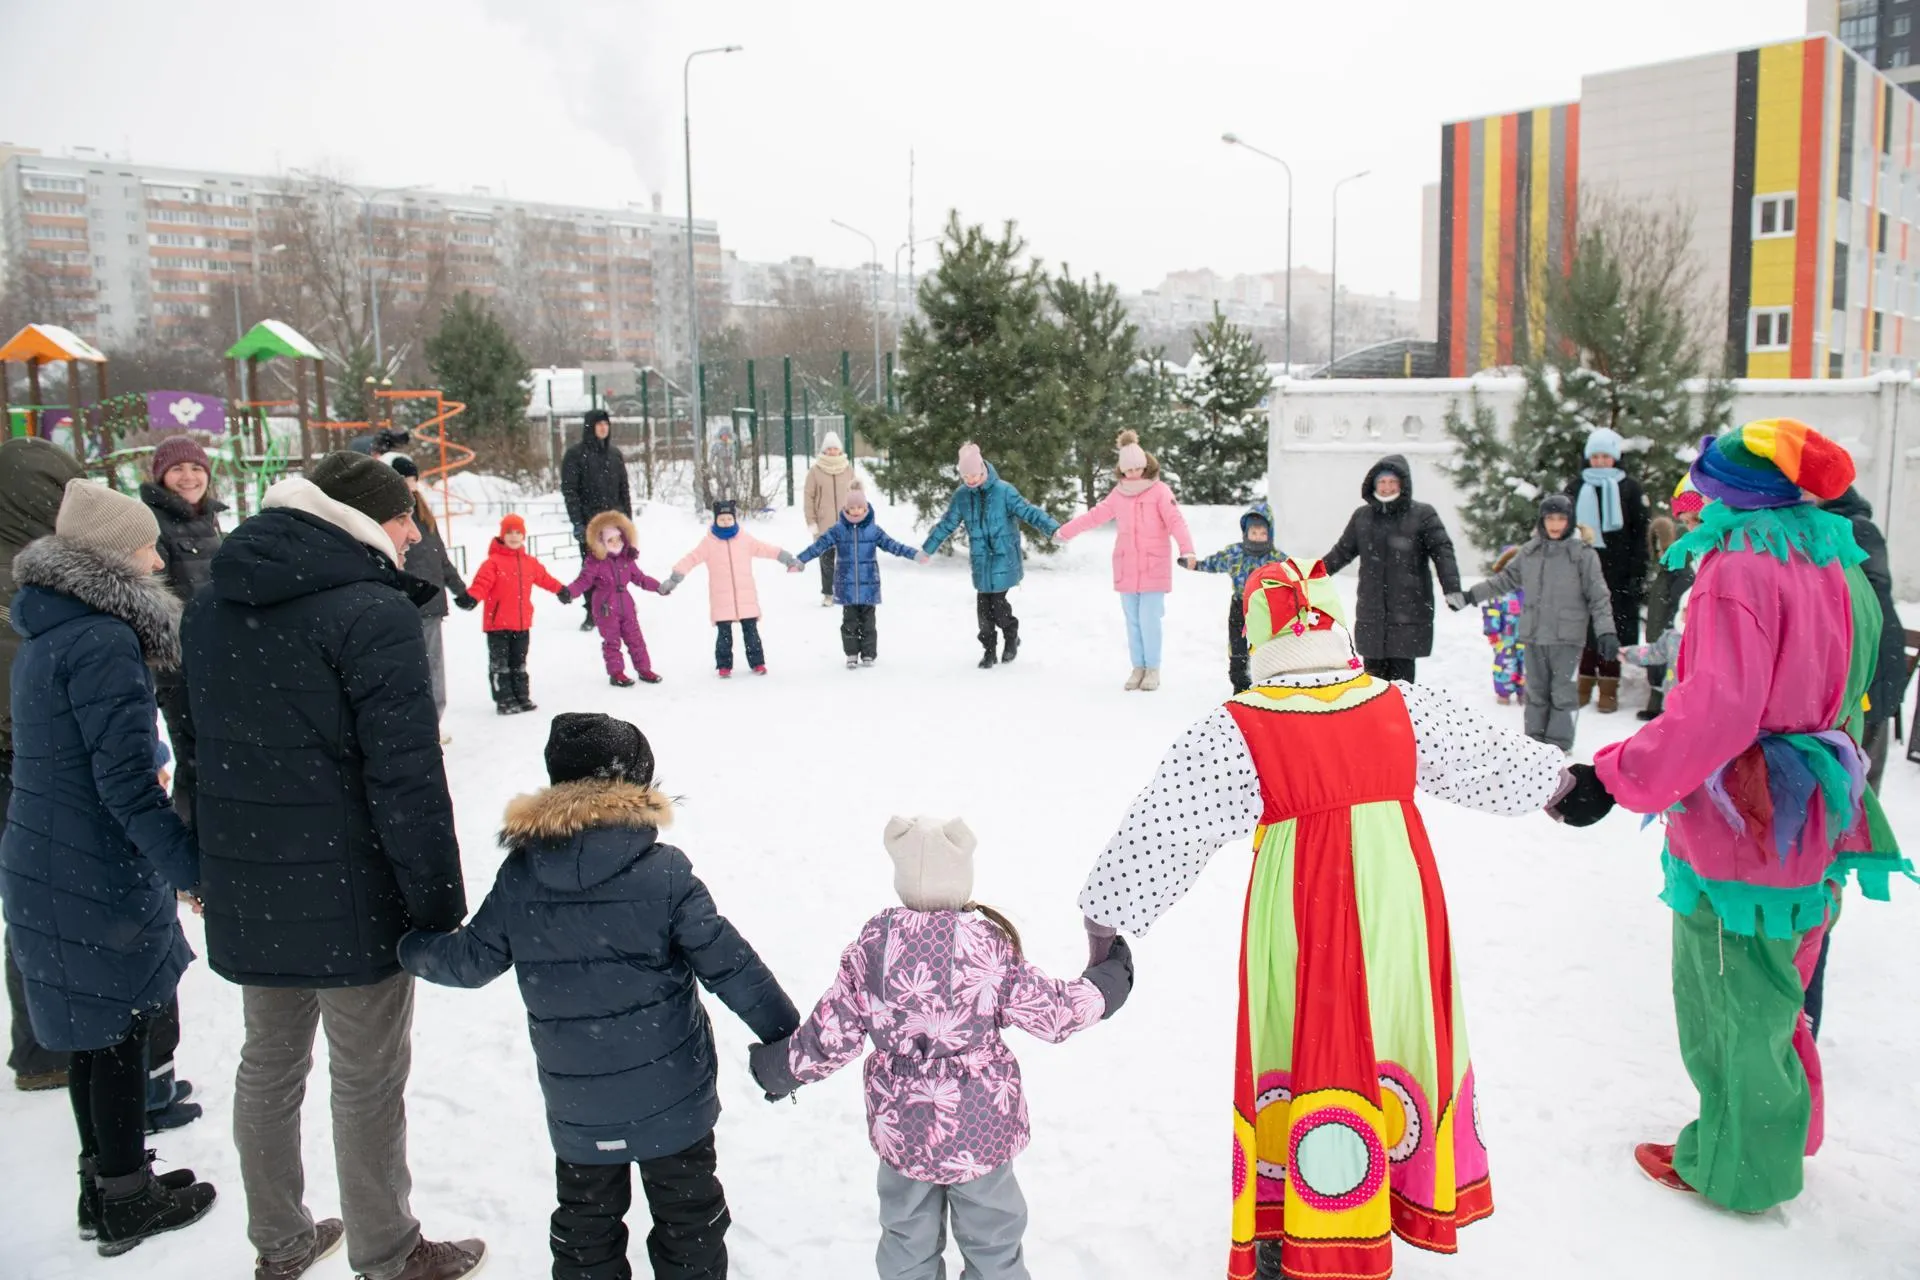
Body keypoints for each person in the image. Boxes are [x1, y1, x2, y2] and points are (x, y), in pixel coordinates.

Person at [1078, 557, 1580, 1279]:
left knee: (1308, 1040)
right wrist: (1556, 784)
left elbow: (1166, 828)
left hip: (1301, 918)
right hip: (1398, 913)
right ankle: (1384, 1192)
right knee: (1389, 1031)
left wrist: (1107, 918)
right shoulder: (1397, 703)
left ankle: (1308, 1216)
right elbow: (1484, 759)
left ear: (1259, 643)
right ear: (1334, 629)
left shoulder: (1240, 726)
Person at [1579, 419, 1905, 1214]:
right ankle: (1780, 1132)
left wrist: (1615, 776)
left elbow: (1715, 714)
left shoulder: (1737, 570)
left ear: (1733, 492)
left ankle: (1737, 1167)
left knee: (1728, 993)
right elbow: (1864, 674)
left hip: (1746, 816)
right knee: (1779, 986)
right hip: (1820, 805)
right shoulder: (1838, 562)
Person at [174, 451, 483, 1280]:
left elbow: (197, 755)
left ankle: (279, 1242)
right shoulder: (369, 613)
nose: (414, 531)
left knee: (268, 1067)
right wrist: (436, 903)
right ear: (355, 520)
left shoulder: (208, 609)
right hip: (351, 891)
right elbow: (406, 775)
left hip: (251, 884)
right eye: (401, 516)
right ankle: (387, 1251)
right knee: (367, 1078)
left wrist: (202, 864)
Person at [402, 714, 798, 1280]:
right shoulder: (663, 875)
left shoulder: (522, 876)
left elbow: (468, 962)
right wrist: (787, 1036)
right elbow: (731, 965)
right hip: (674, 1101)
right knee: (691, 1220)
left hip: (580, 1108)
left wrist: (407, 947)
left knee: (586, 1224)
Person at [750, 815, 1135, 1280]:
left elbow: (832, 1034)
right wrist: (1106, 984)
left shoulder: (875, 946)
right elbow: (1052, 1012)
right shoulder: (987, 946)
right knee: (993, 1240)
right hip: (980, 1130)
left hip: (904, 1129)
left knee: (905, 1239)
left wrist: (780, 1069)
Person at [0, 479, 216, 1256]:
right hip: (88, 864)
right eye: (147, 545)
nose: (160, 557)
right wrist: (190, 867)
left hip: (48, 852)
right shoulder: (102, 640)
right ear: (114, 559)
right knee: (119, 1030)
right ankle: (127, 1198)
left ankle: (107, 1186)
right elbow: (124, 783)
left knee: (93, 1037)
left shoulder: (49, 630)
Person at [0, 436, 83, 1094]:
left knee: (29, 903)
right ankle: (55, 1044)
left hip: (23, 751)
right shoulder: (45, 572)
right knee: (51, 902)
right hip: (35, 755)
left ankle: (43, 1042)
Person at [1461, 494, 1617, 752]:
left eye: (1561, 519)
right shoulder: (1530, 552)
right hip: (1533, 634)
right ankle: (1533, 744)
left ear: (1570, 522)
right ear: (1542, 521)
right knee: (1535, 692)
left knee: (1562, 693)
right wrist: (1470, 596)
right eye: (1550, 519)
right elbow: (1504, 580)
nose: (1555, 525)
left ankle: (1558, 746)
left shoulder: (1582, 555)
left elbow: (1599, 596)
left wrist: (1606, 631)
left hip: (1566, 636)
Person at [1056, 430, 1195, 691]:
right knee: (1132, 621)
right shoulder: (1118, 494)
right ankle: (1138, 667)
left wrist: (1187, 550)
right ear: (1121, 470)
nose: (1133, 474)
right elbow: (1095, 516)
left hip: (1154, 567)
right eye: (1128, 470)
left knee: (1149, 620)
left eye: (1137, 469)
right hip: (1126, 567)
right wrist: (1066, 531)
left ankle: (1152, 668)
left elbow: (1176, 521)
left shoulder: (1160, 492)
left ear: (1145, 466)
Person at [1319, 453, 1461, 684]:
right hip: (1371, 613)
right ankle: (1375, 721)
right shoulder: (1362, 517)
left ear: (1402, 484)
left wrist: (1452, 588)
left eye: (1392, 482)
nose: (1386, 487)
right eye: (1382, 482)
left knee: (1402, 686)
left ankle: (1402, 719)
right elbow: (1341, 552)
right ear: (1374, 483)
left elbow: (1442, 551)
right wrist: (1311, 575)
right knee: (1372, 685)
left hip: (1409, 613)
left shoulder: (1422, 514)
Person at [921, 442, 1061, 669]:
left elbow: (1028, 511)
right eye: (966, 476)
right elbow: (947, 524)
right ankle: (988, 651)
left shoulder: (1004, 491)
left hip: (1004, 558)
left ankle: (1011, 637)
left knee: (998, 606)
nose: (971, 480)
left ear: (983, 470)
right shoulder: (962, 496)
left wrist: (1053, 528)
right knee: (983, 612)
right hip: (980, 561)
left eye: (974, 475)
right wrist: (928, 549)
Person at [1819, 485, 1906, 790]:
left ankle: (1856, 833)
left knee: (1858, 778)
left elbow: (1861, 600)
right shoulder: (1844, 525)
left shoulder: (1852, 529)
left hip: (1871, 663)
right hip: (1866, 662)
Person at [388, 456, 477, 733]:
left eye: (412, 479)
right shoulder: (389, 516)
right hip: (404, 602)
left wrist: (459, 589)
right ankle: (414, 726)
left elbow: (439, 555)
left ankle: (430, 725)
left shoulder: (423, 514)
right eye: (403, 479)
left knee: (433, 669)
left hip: (431, 603)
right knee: (407, 669)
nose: (409, 484)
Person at [794, 484, 927, 670]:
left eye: (859, 508)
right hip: (846, 586)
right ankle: (851, 653)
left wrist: (914, 554)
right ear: (846, 509)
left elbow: (893, 545)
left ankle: (868, 654)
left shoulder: (873, 530)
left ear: (866, 508)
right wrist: (800, 560)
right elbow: (819, 546)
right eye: (852, 508)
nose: (855, 511)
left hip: (868, 585)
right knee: (849, 623)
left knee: (868, 624)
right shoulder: (839, 530)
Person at [1563, 426, 1648, 713]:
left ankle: (1609, 687)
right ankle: (1584, 684)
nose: (1600, 461)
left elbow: (1640, 532)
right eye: (1595, 456)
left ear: (1615, 458)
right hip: (1583, 571)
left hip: (1619, 574)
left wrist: (1637, 572)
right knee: (1586, 628)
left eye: (1605, 456)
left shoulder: (1630, 488)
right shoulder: (1576, 488)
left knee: (1614, 628)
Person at [661, 500, 797, 677]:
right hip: (721, 598)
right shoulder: (709, 543)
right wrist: (675, 578)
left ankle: (758, 663)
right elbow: (692, 558)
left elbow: (766, 549)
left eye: (729, 518)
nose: (726, 522)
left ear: (734, 519)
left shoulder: (744, 539)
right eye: (722, 519)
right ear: (716, 520)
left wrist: (786, 558)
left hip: (745, 597)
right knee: (724, 634)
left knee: (751, 632)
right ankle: (724, 665)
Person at [467, 513, 571, 715]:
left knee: (519, 662)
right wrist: (471, 597)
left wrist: (560, 589)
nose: (514, 536)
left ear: (523, 536)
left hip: (522, 623)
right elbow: (481, 584)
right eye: (509, 532)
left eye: (518, 532)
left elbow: (544, 578)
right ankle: (504, 700)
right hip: (498, 625)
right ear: (502, 535)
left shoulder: (529, 562)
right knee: (501, 664)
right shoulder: (493, 562)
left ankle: (521, 696)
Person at [1180, 498, 1285, 693]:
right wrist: (1196, 565)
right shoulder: (1235, 553)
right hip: (1240, 606)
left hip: (1266, 609)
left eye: (1263, 533)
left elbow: (1292, 577)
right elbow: (1214, 563)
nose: (1257, 537)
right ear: (1246, 533)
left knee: (1264, 648)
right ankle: (1240, 687)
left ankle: (1266, 687)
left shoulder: (1276, 559)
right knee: (1238, 648)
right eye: (1253, 532)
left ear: (1270, 534)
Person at [565, 510, 665, 687]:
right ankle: (617, 673)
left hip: (626, 603)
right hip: (605, 606)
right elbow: (584, 580)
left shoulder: (627, 558)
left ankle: (644, 669)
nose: (615, 543)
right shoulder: (595, 560)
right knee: (612, 641)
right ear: (601, 541)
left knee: (636, 639)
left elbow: (640, 578)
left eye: (618, 538)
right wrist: (569, 592)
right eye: (610, 540)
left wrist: (658, 587)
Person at [1637, 479, 1704, 721]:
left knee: (1671, 673)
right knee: (1659, 670)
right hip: (1660, 628)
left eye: (1695, 520)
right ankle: (1658, 705)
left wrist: (1672, 625)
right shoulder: (1665, 570)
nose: (1660, 553)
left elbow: (1680, 601)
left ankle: (1667, 709)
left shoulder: (1683, 568)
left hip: (1672, 629)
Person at [561, 409, 632, 631]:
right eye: (599, 424)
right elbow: (570, 491)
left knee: (617, 566)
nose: (603, 428)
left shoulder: (614, 454)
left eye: (606, 424)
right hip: (590, 522)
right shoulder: (575, 455)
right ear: (590, 427)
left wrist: (627, 521)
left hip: (614, 520)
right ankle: (593, 611)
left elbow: (624, 489)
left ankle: (616, 606)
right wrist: (578, 523)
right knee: (592, 567)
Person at [803, 431, 859, 607]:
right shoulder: (815, 471)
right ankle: (828, 593)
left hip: (846, 524)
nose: (833, 451)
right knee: (827, 561)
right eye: (829, 448)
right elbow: (808, 497)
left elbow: (857, 494)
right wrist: (811, 521)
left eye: (835, 448)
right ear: (824, 450)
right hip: (824, 525)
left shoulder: (848, 469)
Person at [1477, 546, 1526, 706]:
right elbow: (1491, 611)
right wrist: (1492, 631)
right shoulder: (1499, 590)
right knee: (1504, 663)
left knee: (1527, 664)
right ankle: (1503, 691)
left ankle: (1524, 691)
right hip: (1505, 636)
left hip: (1527, 636)